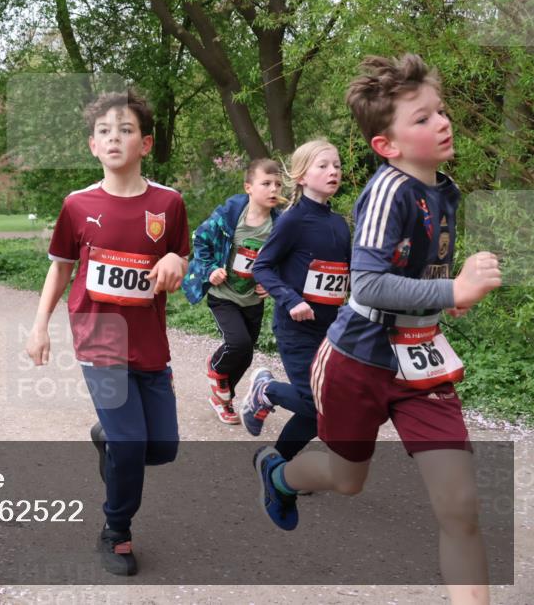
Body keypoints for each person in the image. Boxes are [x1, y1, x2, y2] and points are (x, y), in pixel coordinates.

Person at [255, 55, 501, 605]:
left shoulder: (444, 188)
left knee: (460, 507)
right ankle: (279, 474)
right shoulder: (389, 189)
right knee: (348, 480)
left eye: (440, 111)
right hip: (357, 360)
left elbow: (413, 273)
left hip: (422, 362)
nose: (441, 122)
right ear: (386, 145)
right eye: (421, 118)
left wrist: (444, 299)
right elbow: (366, 286)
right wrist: (452, 290)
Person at [24, 91, 189, 576]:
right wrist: (39, 328)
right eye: (104, 131)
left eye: (126, 130)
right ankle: (116, 530)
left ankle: (108, 438)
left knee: (162, 447)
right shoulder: (77, 205)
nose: (114, 138)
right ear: (92, 146)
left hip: (150, 341)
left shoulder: (169, 203)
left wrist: (177, 259)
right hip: (99, 336)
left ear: (146, 143)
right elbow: (60, 270)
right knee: (133, 446)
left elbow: (182, 255)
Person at [240, 140, 350, 460]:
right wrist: (290, 299)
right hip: (297, 328)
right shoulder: (292, 220)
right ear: (301, 176)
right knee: (317, 404)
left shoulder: (338, 224)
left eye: (337, 165)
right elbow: (262, 266)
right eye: (323, 166)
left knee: (322, 409)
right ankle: (267, 391)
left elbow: (350, 272)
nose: (333, 171)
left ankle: (276, 463)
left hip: (330, 331)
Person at [184, 158, 282, 424]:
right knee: (237, 344)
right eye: (266, 183)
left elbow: (284, 260)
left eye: (278, 184)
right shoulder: (230, 215)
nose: (273, 189)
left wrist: (271, 282)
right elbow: (201, 239)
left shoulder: (280, 224)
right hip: (224, 295)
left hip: (252, 299)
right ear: (248, 187)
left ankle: (222, 399)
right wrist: (210, 270)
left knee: (246, 353)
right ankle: (215, 369)